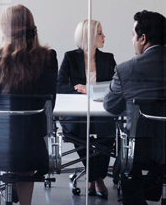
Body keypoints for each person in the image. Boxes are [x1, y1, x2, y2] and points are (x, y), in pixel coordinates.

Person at [0, 4, 58, 205]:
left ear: (4, 30)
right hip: (33, 147)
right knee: (24, 143)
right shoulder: (48, 58)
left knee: (4, 139)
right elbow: (50, 105)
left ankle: (3, 193)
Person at [104, 10, 166, 205]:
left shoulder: (125, 69)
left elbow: (111, 105)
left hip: (140, 151)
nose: (132, 40)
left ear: (143, 38)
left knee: (129, 163)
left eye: (133, 35)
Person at [57, 19, 116, 198]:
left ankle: (93, 177)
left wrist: (90, 89)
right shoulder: (70, 57)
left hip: (100, 110)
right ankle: (97, 179)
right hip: (77, 112)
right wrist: (79, 89)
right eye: (100, 33)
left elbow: (115, 86)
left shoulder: (108, 58)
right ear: (88, 37)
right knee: (78, 127)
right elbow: (59, 86)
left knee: (109, 130)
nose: (104, 36)